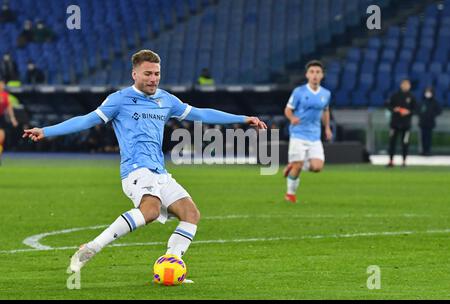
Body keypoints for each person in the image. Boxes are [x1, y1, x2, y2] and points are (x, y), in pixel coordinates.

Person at [23, 50, 267, 279]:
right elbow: (87, 120)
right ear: (135, 74)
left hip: (160, 172)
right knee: (149, 211)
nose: (153, 79)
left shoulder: (166, 100)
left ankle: (171, 261)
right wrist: (46, 131)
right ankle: (92, 248)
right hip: (135, 171)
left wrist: (243, 118)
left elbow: (201, 114)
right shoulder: (119, 100)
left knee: (191, 214)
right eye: (148, 73)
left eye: (157, 73)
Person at [282, 60, 333, 203]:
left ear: (322, 75)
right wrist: (292, 118)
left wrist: (327, 127)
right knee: (298, 167)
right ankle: (290, 194)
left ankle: (293, 164)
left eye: (318, 72)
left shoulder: (326, 94)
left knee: (317, 167)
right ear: (307, 75)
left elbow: (326, 111)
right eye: (312, 72)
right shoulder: (299, 92)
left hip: (315, 135)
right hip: (298, 133)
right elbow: (287, 109)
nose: (315, 75)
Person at [386, 79, 418, 167]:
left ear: (409, 86)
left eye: (407, 85)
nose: (405, 86)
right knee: (392, 142)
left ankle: (404, 161)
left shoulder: (411, 97)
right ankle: (391, 161)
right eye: (404, 84)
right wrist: (394, 109)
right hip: (395, 123)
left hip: (406, 124)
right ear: (401, 85)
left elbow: (416, 109)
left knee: (405, 143)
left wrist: (409, 112)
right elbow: (388, 105)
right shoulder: (395, 95)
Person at [419, 87, 442, 156]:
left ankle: (428, 151)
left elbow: (439, 111)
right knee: (423, 137)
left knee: (428, 137)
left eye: (429, 92)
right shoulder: (422, 101)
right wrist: (422, 115)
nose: (428, 93)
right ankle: (423, 151)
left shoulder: (434, 102)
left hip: (430, 122)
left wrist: (432, 114)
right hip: (422, 122)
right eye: (427, 92)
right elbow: (417, 110)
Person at [0, 80, 19, 162]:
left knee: (1, 139)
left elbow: (9, 107)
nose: (2, 85)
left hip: (1, 118)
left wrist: (13, 119)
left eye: (2, 84)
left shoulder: (5, 95)